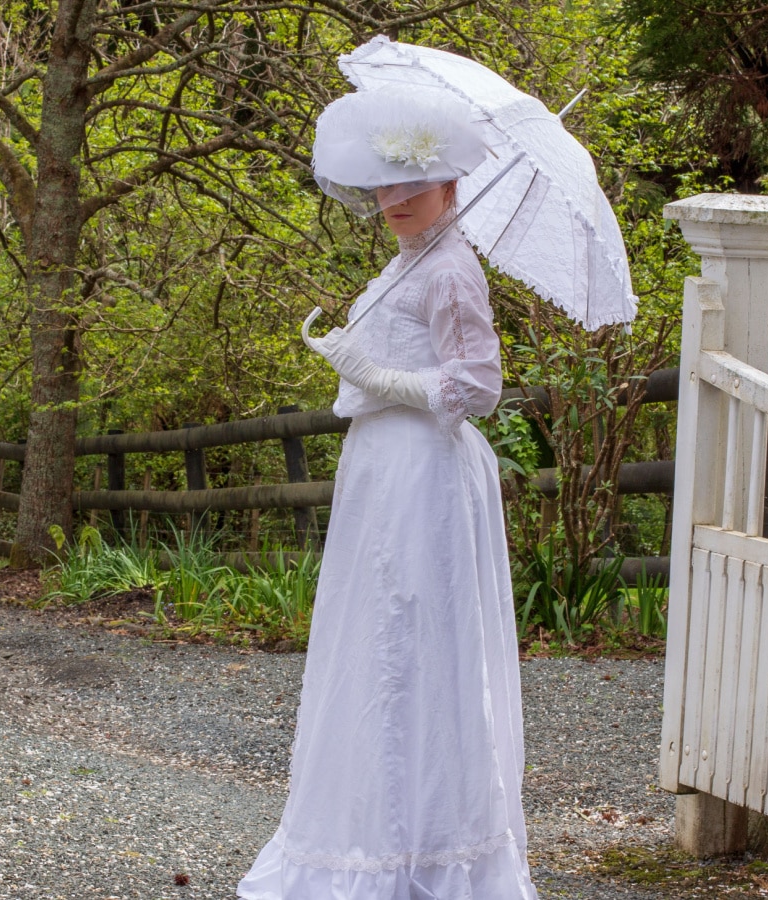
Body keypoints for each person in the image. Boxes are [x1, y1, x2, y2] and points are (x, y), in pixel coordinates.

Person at [238, 87, 539, 900]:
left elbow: (477, 387)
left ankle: (422, 854)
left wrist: (380, 377)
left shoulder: (452, 271)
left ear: (450, 186)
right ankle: (365, 828)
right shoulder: (409, 262)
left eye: (414, 188)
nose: (395, 203)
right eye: (385, 188)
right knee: (375, 645)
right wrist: (356, 357)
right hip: (382, 471)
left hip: (422, 476)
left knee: (411, 648)